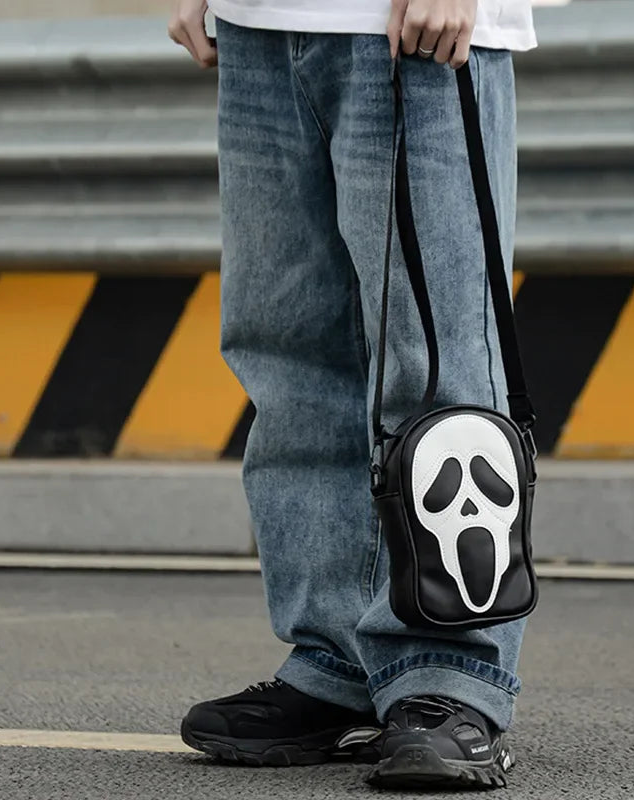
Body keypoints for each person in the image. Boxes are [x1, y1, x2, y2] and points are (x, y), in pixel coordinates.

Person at [169, 0, 536, 790]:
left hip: (409, 30)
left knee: (439, 363)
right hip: (262, 30)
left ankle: (450, 676)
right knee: (292, 357)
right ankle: (336, 660)